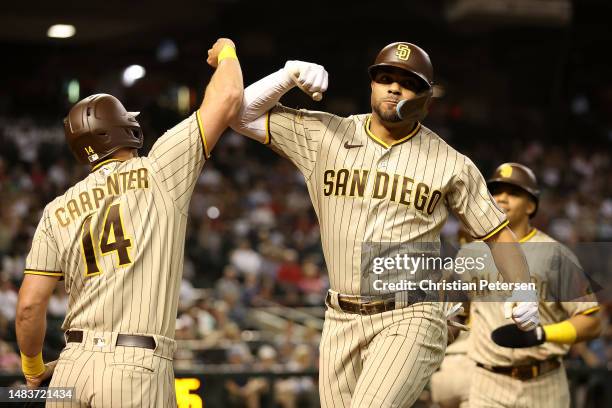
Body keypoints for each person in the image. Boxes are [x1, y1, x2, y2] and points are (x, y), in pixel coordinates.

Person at [231, 42, 540, 407]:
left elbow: (496, 233)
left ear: (426, 98)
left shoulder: (451, 163)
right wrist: (286, 77)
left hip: (411, 314)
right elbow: (239, 115)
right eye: (385, 78)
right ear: (372, 85)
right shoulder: (325, 134)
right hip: (340, 317)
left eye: (408, 83)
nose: (394, 87)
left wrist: (523, 289)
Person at [15, 38, 243, 407]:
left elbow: (28, 307)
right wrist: (227, 51)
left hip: (71, 367)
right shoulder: (160, 170)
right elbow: (229, 95)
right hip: (134, 366)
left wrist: (33, 368)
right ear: (126, 130)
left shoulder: (56, 209)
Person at [463, 163, 601, 408]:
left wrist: (543, 334)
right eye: (496, 192)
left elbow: (591, 322)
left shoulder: (556, 254)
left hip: (544, 383)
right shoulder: (470, 252)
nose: (502, 198)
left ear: (531, 205)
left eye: (513, 192)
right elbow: (461, 312)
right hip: (486, 382)